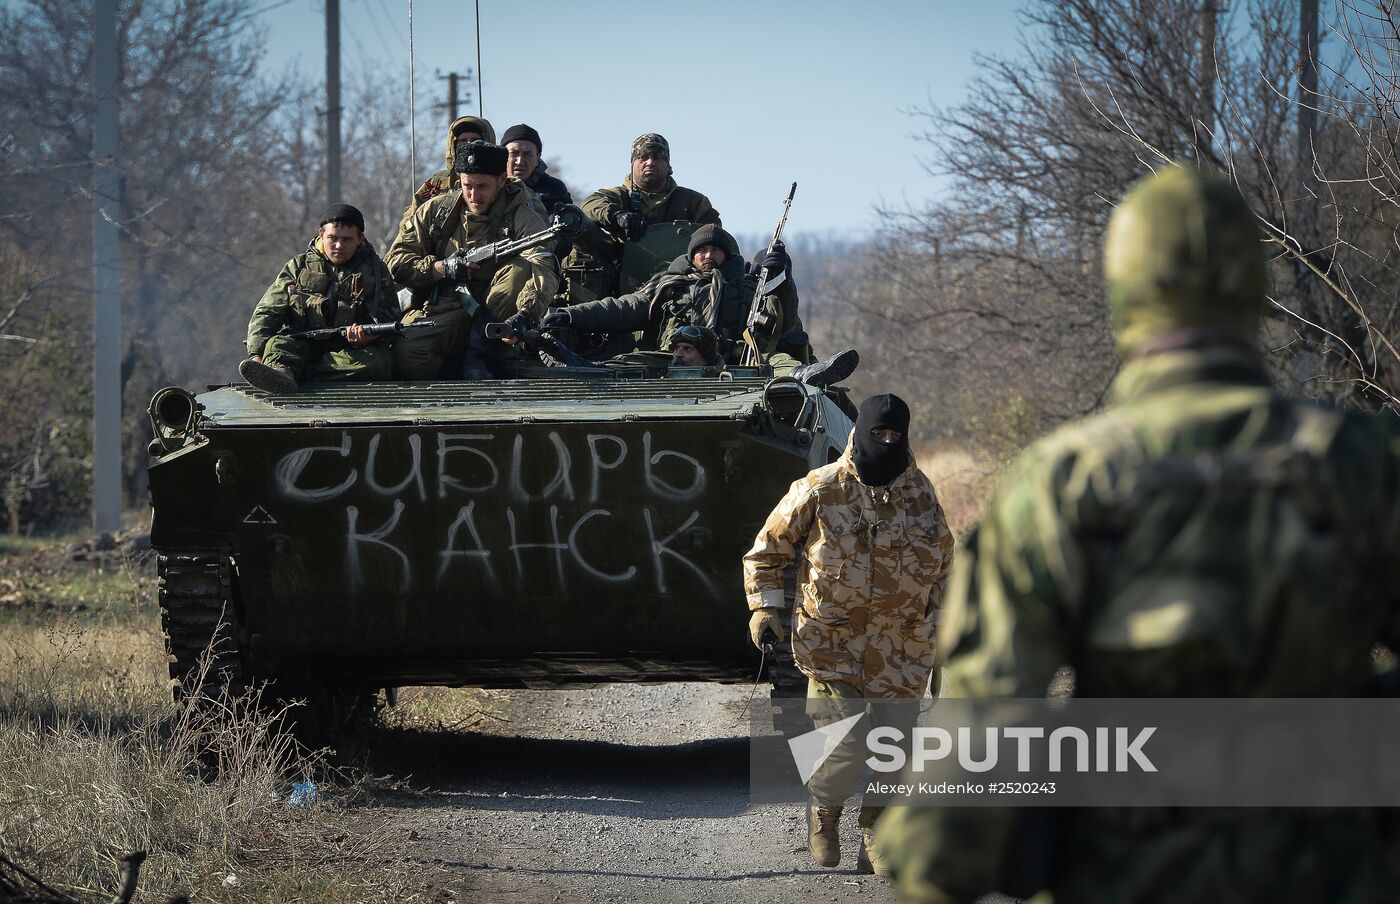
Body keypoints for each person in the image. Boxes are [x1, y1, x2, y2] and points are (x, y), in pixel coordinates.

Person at [875, 164, 1400, 903]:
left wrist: (929, 858)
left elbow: (985, 729)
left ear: (1125, 296)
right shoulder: (1365, 465)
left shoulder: (1062, 483)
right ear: (1256, 290)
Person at [743, 394, 955, 875]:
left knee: (894, 749)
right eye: (877, 434)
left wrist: (945, 629)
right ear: (859, 433)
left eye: (894, 436)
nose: (885, 443)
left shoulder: (920, 492)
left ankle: (877, 832)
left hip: (903, 647)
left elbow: (945, 567)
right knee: (843, 744)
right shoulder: (820, 489)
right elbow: (767, 550)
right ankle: (824, 811)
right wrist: (766, 607)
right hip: (831, 643)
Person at [542, 224, 852, 384]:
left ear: (727, 256)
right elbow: (623, 308)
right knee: (622, 366)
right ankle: (579, 370)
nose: (708, 255)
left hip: (730, 363)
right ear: (691, 255)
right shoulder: (669, 285)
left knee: (779, 361)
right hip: (671, 358)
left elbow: (781, 321)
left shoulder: (746, 289)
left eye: (715, 250)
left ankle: (806, 376)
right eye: (701, 249)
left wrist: (782, 282)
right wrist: (567, 316)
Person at [385, 141, 558, 381]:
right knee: (408, 356)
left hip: (497, 314)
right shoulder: (435, 212)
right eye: (468, 186)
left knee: (521, 269)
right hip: (446, 306)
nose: (474, 195)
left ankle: (481, 356)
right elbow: (395, 261)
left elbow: (543, 266)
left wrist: (526, 313)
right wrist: (441, 268)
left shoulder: (523, 215)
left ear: (501, 179)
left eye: (482, 186)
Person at [239, 203, 397, 394]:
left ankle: (294, 375)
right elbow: (269, 310)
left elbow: (389, 315)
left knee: (378, 363)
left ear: (359, 239)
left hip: (350, 350)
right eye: (333, 238)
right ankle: (281, 372)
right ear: (321, 235)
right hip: (304, 341)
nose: (339, 246)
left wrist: (368, 335)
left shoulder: (376, 270)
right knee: (277, 345)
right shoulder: (299, 266)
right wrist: (256, 354)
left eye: (347, 240)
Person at [564, 133, 722, 301]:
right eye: (643, 157)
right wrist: (619, 217)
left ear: (668, 165)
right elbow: (591, 204)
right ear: (632, 164)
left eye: (657, 157)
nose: (650, 162)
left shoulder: (692, 202)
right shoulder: (619, 195)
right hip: (624, 283)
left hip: (681, 286)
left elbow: (715, 236)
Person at [405, 115, 496, 216]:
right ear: (453, 146)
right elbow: (413, 217)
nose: (469, 145)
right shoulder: (438, 183)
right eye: (463, 141)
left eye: (475, 140)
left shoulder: (499, 181)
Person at [502, 123, 573, 215]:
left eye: (527, 154)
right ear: (502, 155)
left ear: (538, 157)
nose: (520, 161)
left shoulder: (555, 190)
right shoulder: (490, 186)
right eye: (514, 153)